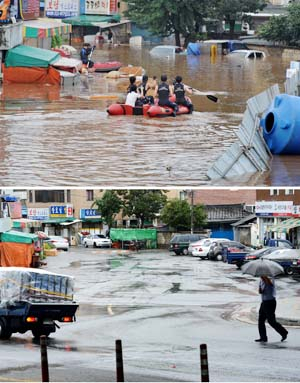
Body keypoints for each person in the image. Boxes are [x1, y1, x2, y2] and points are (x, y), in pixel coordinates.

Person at [255, 275, 288, 342]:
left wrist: (265, 279)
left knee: (271, 321)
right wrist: (260, 289)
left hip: (270, 303)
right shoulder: (261, 281)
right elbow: (261, 291)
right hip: (264, 302)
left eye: (261, 275)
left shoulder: (270, 279)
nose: (260, 276)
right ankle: (263, 337)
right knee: (261, 321)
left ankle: (283, 332)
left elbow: (270, 286)